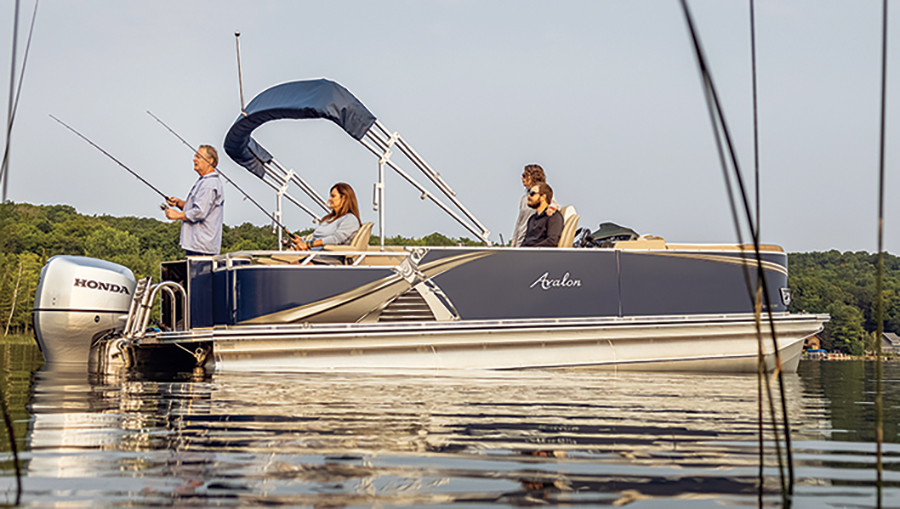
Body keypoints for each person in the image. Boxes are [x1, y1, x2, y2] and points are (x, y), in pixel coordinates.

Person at [165, 145, 224, 256]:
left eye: (198, 157)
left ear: (210, 161)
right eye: (194, 156)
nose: (194, 159)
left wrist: (177, 215)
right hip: (198, 246)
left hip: (201, 248)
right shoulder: (204, 181)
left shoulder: (209, 184)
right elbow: (198, 207)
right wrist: (178, 203)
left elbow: (200, 212)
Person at [291, 182, 361, 251]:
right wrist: (302, 241)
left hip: (327, 259)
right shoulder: (328, 218)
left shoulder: (349, 219)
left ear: (344, 198)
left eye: (333, 196)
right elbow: (317, 239)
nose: (329, 199)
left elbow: (336, 239)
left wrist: (308, 244)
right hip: (313, 255)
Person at [512, 164, 559, 247]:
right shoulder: (524, 198)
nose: (522, 178)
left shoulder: (541, 192)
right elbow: (519, 222)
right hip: (522, 241)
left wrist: (552, 208)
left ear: (533, 176)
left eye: (524, 175)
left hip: (532, 241)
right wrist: (513, 242)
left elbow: (552, 204)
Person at [521, 182, 563, 247]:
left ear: (543, 197)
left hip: (539, 255)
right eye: (529, 193)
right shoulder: (531, 219)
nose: (529, 196)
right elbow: (525, 242)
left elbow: (552, 241)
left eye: (532, 193)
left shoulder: (553, 216)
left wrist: (531, 249)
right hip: (527, 255)